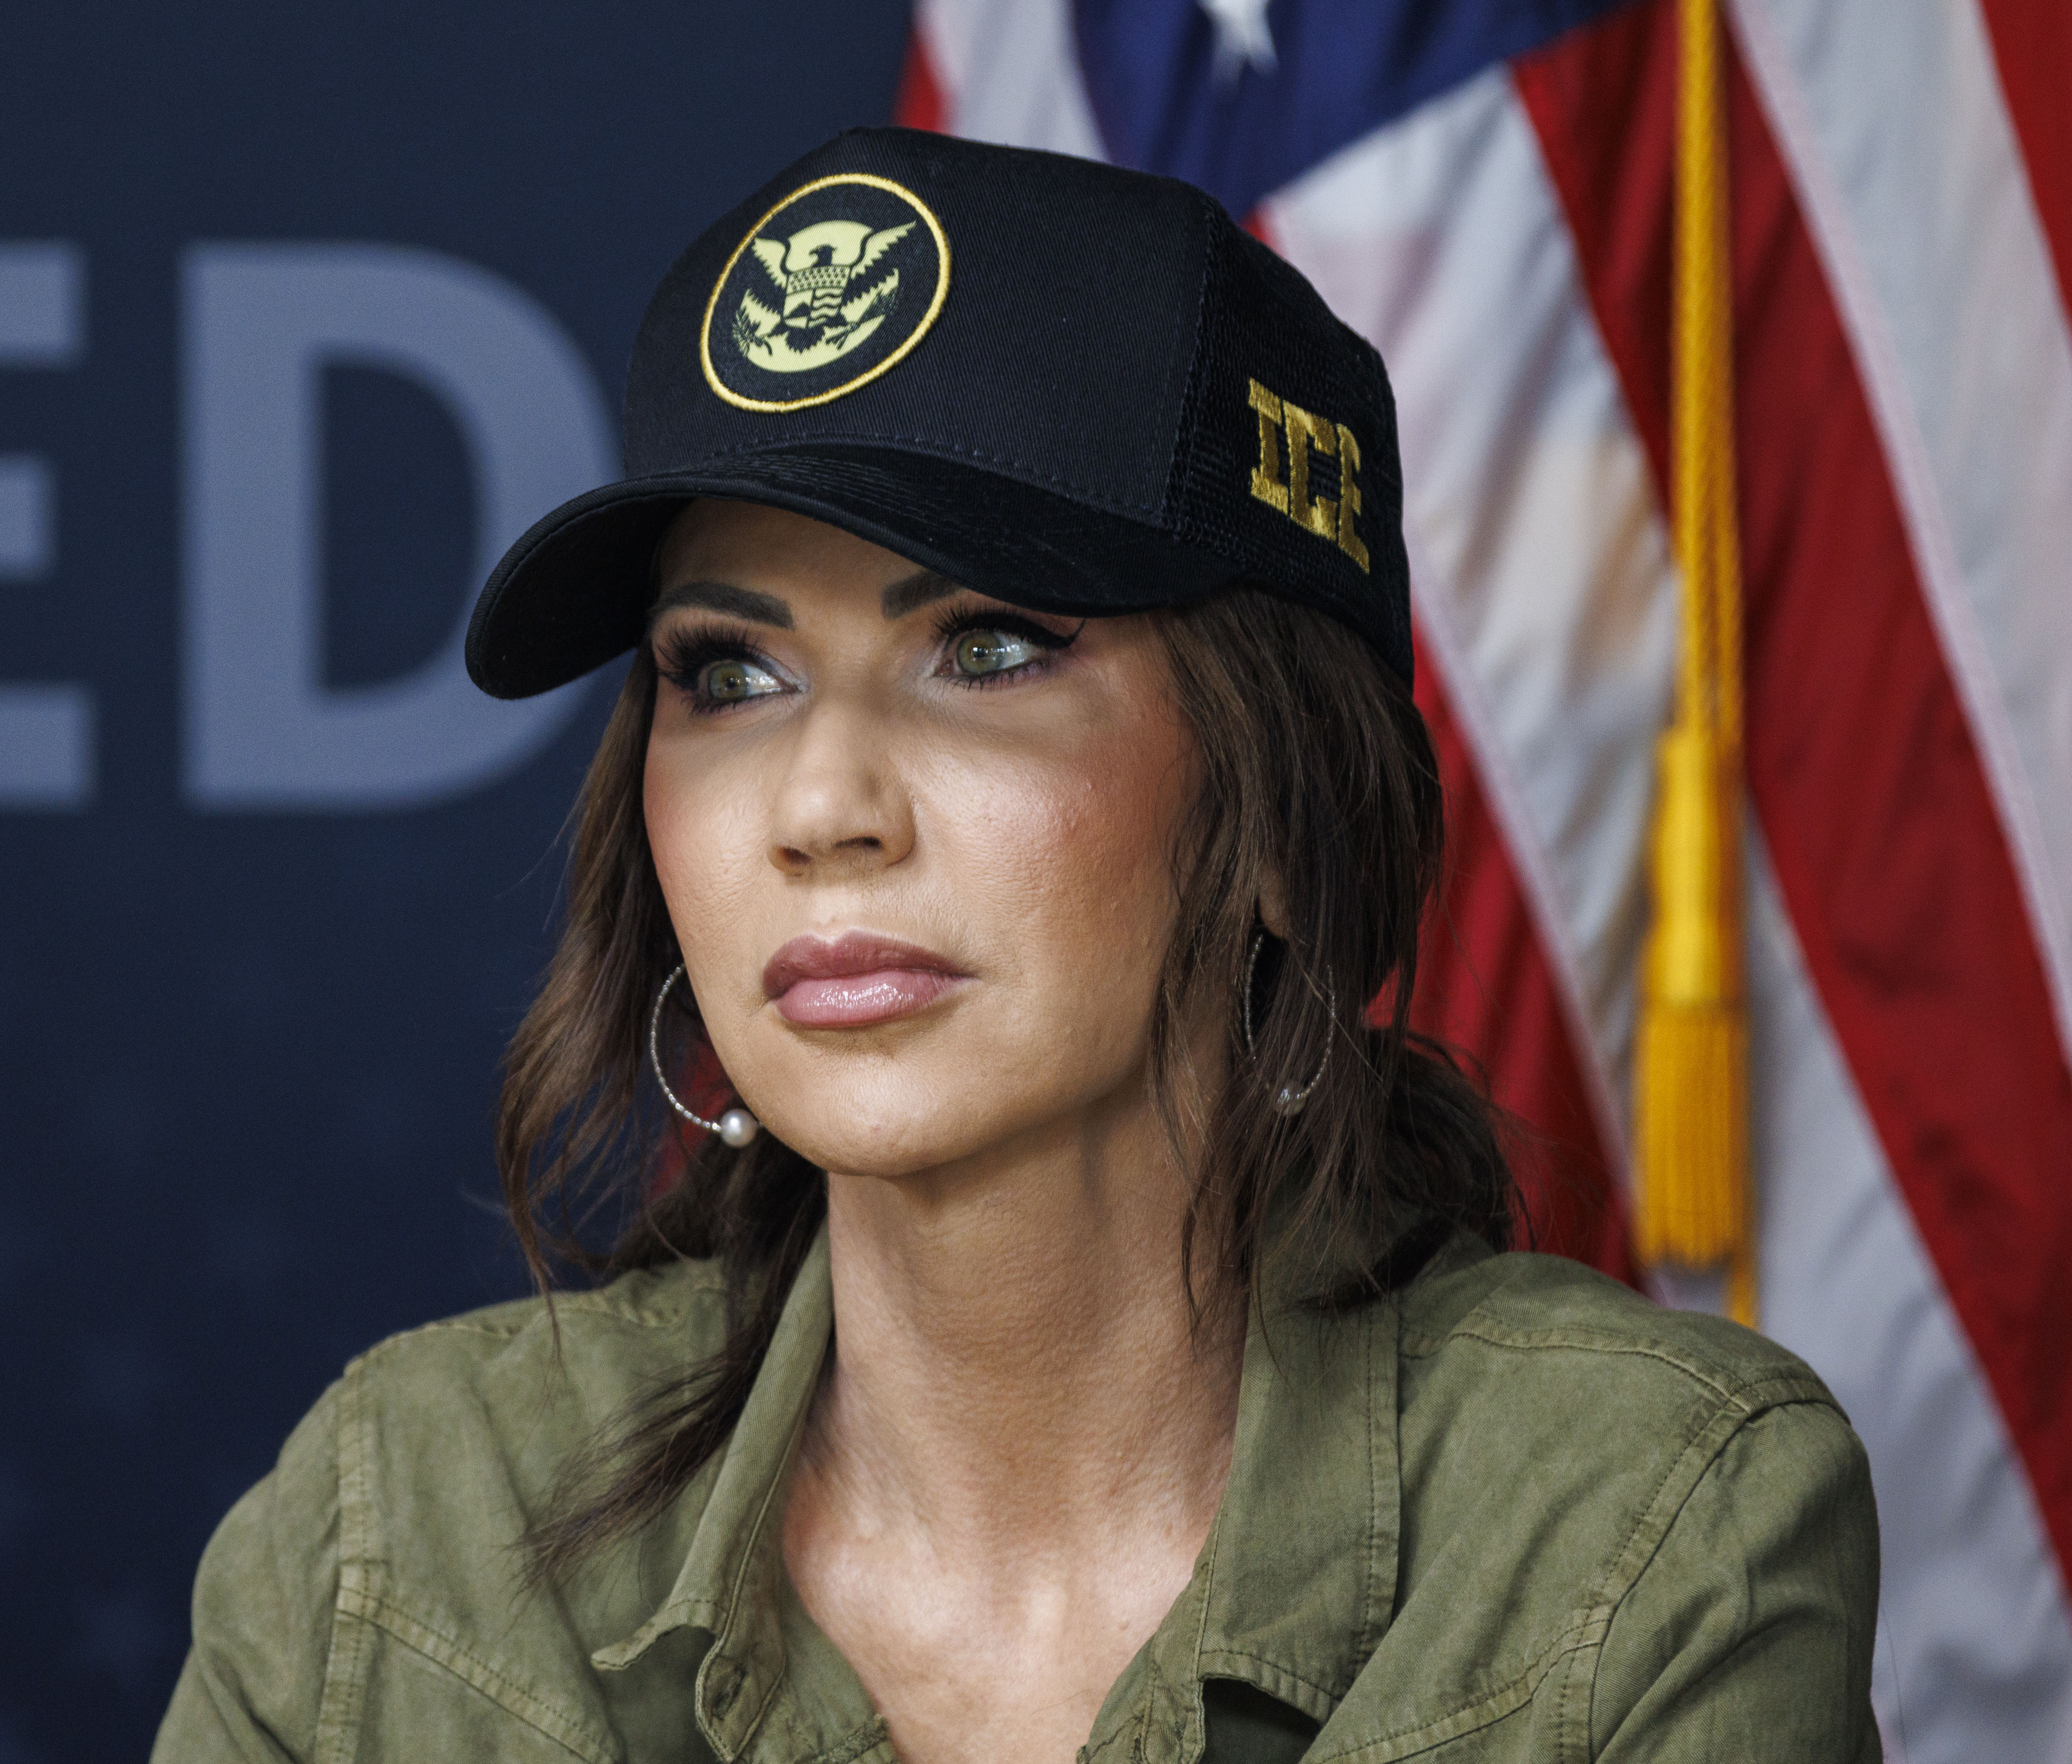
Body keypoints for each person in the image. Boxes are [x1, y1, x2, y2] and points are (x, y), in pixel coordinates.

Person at [151, 128, 1881, 1763]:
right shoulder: (398, 1528)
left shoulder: (1652, 1525)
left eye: (986, 649)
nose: (822, 803)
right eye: (728, 674)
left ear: (1281, 810)